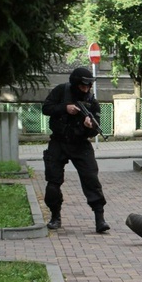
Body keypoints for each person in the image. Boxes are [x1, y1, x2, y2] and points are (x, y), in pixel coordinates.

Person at [42, 67, 109, 233]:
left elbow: (95, 130)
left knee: (91, 180)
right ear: (75, 83)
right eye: (82, 86)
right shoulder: (61, 91)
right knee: (53, 182)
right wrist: (65, 108)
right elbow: (46, 108)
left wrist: (89, 127)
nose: (85, 89)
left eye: (88, 86)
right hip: (59, 142)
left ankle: (100, 219)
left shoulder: (92, 102)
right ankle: (55, 216)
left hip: (80, 144)